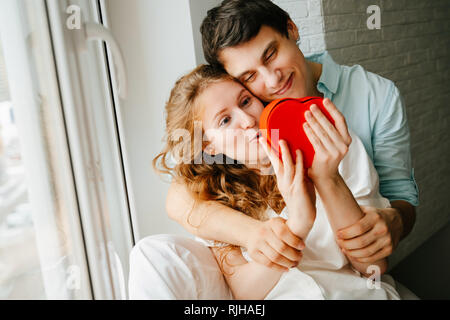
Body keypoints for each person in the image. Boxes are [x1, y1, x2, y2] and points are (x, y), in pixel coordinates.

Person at [165, 0, 419, 272]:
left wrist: (397, 220)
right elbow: (181, 195)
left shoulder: (376, 95)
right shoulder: (247, 128)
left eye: (271, 54)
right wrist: (253, 234)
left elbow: (400, 193)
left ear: (292, 29)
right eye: (249, 76)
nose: (273, 82)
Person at [151, 64, 400, 299]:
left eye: (246, 101)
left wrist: (328, 179)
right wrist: (298, 225)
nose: (247, 120)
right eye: (225, 120)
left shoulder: (328, 145)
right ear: (209, 146)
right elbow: (245, 290)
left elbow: (372, 267)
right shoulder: (214, 197)